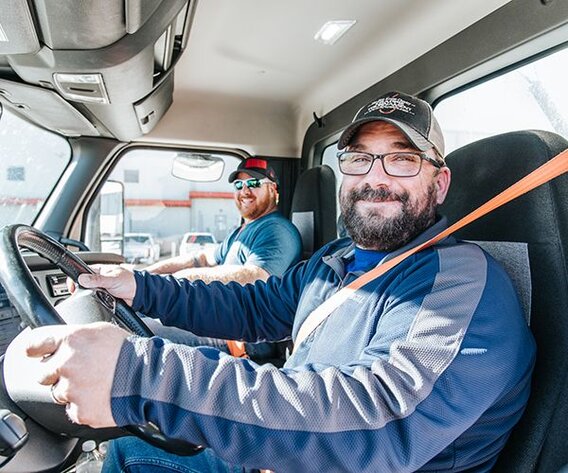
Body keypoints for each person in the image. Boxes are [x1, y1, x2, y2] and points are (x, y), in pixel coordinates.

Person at [24, 91, 535, 473]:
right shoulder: (334, 260)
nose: (375, 177)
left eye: (402, 159)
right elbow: (252, 308)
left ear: (439, 182)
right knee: (131, 451)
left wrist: (141, 373)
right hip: (287, 445)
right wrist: (138, 287)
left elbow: (382, 421)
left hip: (341, 457)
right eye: (359, 158)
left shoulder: (464, 286)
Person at [137, 158, 302, 361]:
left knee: (135, 332)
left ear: (273, 190)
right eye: (239, 185)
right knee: (137, 317)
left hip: (244, 337)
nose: (245, 191)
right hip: (218, 320)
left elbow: (255, 276)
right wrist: (149, 274)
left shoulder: (276, 230)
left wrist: (172, 284)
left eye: (254, 183)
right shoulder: (241, 231)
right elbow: (202, 259)